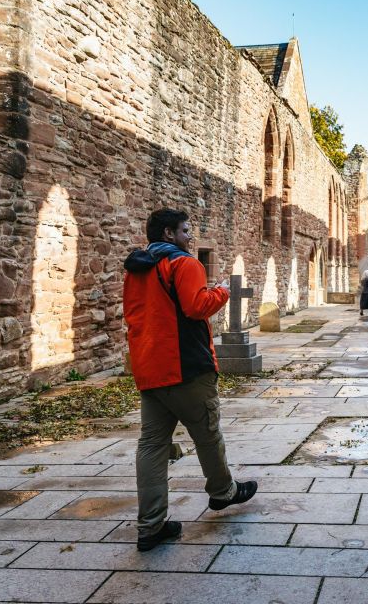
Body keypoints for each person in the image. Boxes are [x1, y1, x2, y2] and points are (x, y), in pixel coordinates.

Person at [123, 208, 257, 551]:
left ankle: (150, 526)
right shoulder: (184, 263)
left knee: (152, 447)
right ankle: (223, 492)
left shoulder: (138, 268)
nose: (189, 237)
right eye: (184, 230)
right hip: (185, 367)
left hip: (149, 369)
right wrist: (222, 291)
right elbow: (196, 306)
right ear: (168, 234)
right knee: (208, 433)